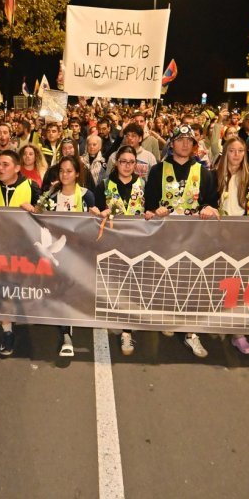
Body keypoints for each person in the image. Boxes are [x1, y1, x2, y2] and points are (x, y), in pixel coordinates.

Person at [144, 125, 219, 358]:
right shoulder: (157, 170)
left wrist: (208, 208)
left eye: (189, 140)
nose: (185, 144)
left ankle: (190, 332)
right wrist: (154, 212)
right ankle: (169, 316)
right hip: (165, 236)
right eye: (180, 140)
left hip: (194, 237)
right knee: (167, 278)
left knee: (193, 282)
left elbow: (211, 203)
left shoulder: (204, 171)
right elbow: (148, 205)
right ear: (172, 143)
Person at [0, 150, 41, 356]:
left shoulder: (31, 187)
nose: (0, 168)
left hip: (25, 250)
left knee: (22, 291)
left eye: (5, 164)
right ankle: (7, 331)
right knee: (3, 290)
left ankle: (28, 318)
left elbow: (46, 215)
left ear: (17, 168)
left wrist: (36, 209)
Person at [37, 155, 99, 357]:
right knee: (61, 293)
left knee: (73, 294)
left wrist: (98, 213)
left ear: (78, 174)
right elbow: (38, 218)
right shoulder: (52, 195)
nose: (64, 174)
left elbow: (95, 223)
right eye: (62, 170)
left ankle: (69, 328)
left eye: (69, 171)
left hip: (79, 254)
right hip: (58, 255)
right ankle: (66, 334)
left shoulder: (87, 195)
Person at [215, 136, 249, 354]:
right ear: (225, 153)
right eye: (232, 151)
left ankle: (238, 333)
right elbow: (207, 201)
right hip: (217, 236)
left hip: (242, 236)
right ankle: (197, 327)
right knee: (215, 281)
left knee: (237, 282)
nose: (236, 155)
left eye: (240, 151)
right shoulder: (213, 175)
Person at [94, 145, 145, 356]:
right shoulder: (104, 184)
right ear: (116, 163)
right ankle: (105, 318)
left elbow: (149, 210)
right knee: (110, 285)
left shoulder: (143, 184)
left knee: (131, 288)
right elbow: (95, 211)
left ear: (136, 164)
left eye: (131, 162)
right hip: (109, 245)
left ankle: (126, 330)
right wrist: (98, 211)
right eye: (123, 162)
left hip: (135, 244)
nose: (127, 166)